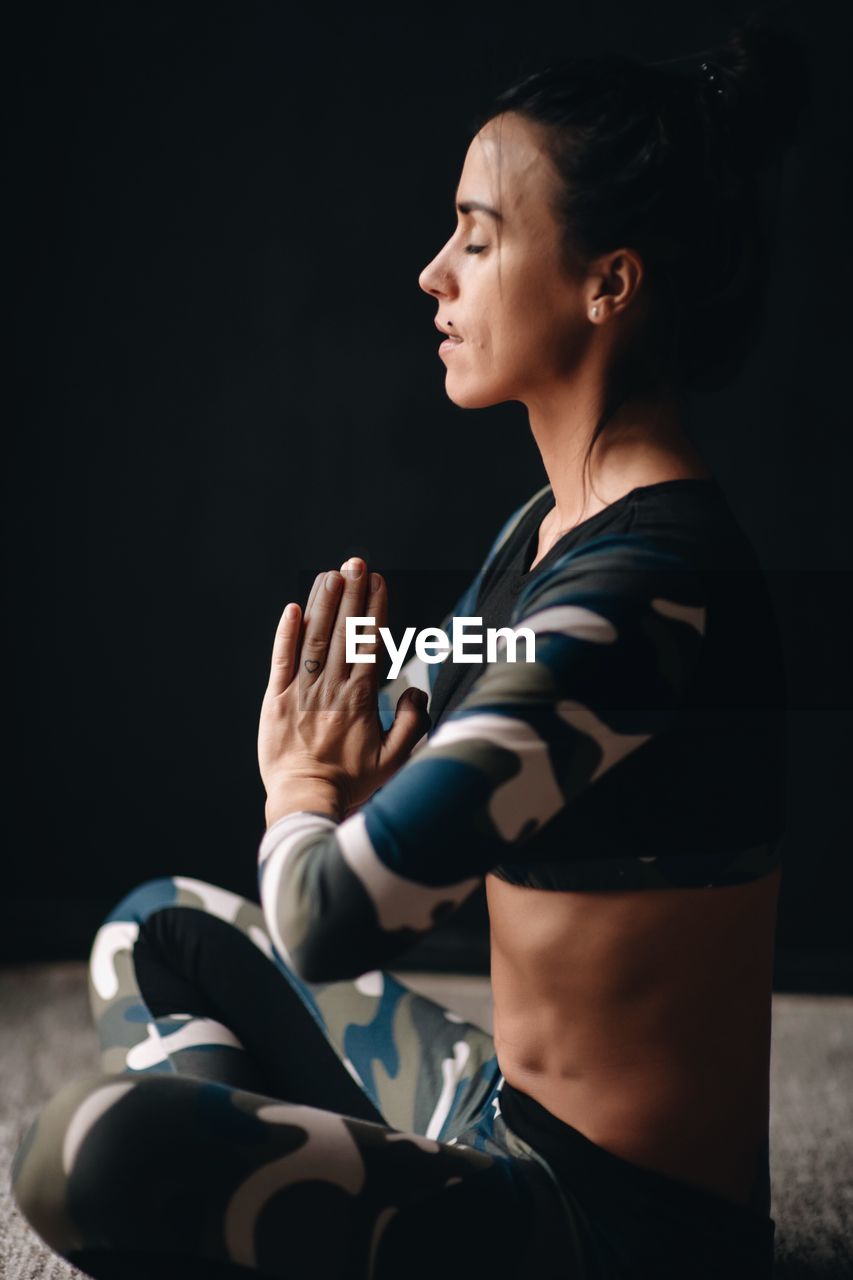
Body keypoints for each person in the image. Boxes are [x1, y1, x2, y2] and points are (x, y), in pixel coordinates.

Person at [11, 14, 807, 1279]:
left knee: (86, 1151)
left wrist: (300, 788)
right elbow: (415, 794)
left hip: (613, 1229)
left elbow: (328, 916)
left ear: (609, 280)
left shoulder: (646, 597)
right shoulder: (549, 528)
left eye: (478, 237)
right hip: (499, 1113)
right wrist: (368, 786)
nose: (435, 273)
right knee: (149, 931)